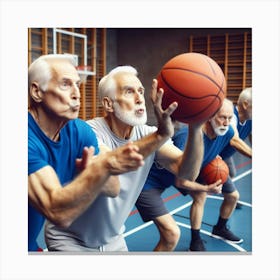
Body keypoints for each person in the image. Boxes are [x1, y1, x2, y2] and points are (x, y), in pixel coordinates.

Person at [44, 65, 206, 252]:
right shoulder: (88, 132)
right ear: (108, 104)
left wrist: (196, 128)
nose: (140, 99)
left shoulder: (149, 133)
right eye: (129, 92)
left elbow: (186, 172)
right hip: (69, 238)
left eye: (141, 91)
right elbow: (111, 175)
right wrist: (160, 136)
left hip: (113, 239)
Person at [28, 54, 146, 251]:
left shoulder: (78, 130)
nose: (77, 93)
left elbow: (113, 188)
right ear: (36, 91)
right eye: (66, 84)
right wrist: (98, 170)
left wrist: (95, 172)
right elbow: (59, 213)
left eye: (78, 85)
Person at [136, 98, 252, 251]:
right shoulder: (185, 138)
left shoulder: (228, 131)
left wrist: (217, 158)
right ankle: (195, 240)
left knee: (233, 196)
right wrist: (206, 189)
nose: (226, 122)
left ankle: (219, 229)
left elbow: (227, 145)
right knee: (178, 225)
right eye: (222, 117)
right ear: (209, 116)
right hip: (153, 182)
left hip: (199, 168)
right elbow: (181, 181)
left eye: (230, 118)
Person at [219, 87, 252, 209]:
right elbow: (234, 140)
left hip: (225, 154)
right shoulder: (231, 115)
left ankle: (228, 194)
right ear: (245, 105)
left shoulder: (251, 120)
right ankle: (230, 195)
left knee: (232, 172)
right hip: (215, 154)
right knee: (199, 192)